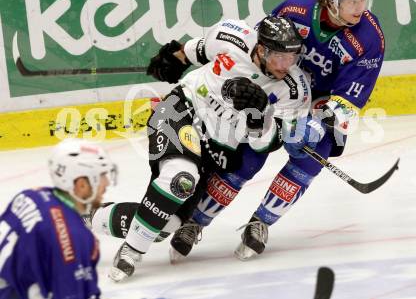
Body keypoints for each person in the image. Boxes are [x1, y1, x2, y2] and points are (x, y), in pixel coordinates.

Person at [143, 0, 385, 261]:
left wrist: (317, 124)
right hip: (276, 87)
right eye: (351, 0)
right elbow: (261, 42)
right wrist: (190, 58)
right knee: (246, 158)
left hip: (321, 103)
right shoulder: (297, 6)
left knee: (308, 158)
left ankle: (261, 223)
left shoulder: (369, 38)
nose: (359, 7)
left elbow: (351, 97)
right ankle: (194, 222)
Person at [107, 15, 323, 281]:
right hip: (182, 111)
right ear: (261, 49)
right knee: (180, 177)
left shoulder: (294, 89)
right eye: (279, 57)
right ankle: (131, 251)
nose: (285, 65)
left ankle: (91, 217)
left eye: (292, 58)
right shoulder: (232, 35)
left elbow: (266, 143)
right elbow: (194, 50)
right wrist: (172, 59)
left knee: (166, 223)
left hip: (217, 146)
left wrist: (258, 119)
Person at [0, 138, 117, 299]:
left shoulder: (30, 195)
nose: (107, 183)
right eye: (102, 175)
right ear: (81, 184)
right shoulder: (75, 237)